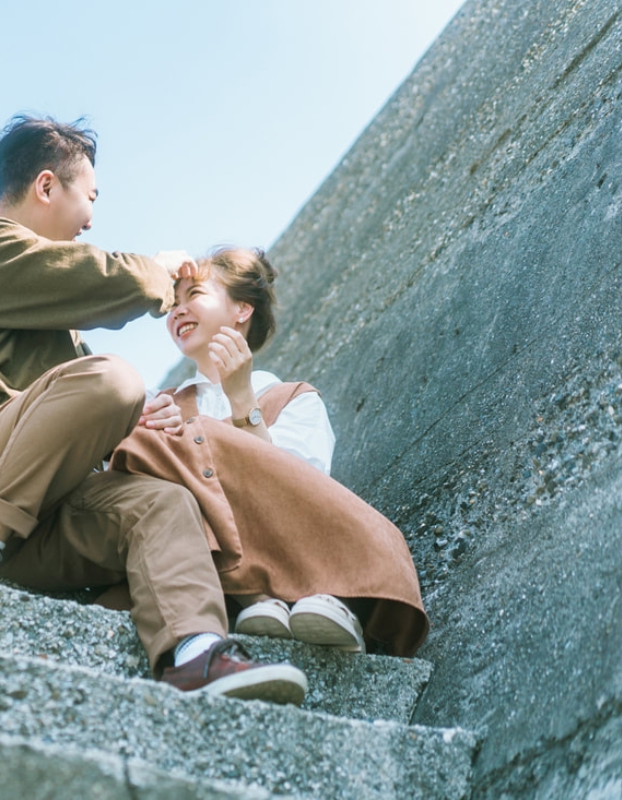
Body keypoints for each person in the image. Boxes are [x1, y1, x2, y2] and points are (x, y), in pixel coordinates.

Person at [0, 114, 309, 704]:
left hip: (36, 513)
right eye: (88, 197)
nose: (92, 216)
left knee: (164, 503)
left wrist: (143, 422)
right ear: (46, 186)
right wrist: (163, 272)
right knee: (114, 378)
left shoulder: (56, 327)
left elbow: (81, 413)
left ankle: (195, 654)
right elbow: (98, 286)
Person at [107, 247, 429, 657]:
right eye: (173, 301)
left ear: (242, 309)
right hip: (199, 558)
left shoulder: (293, 398)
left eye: (194, 295)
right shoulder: (161, 402)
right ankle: (262, 599)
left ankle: (310, 597)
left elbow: (296, 493)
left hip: (287, 541)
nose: (177, 311)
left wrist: (243, 401)